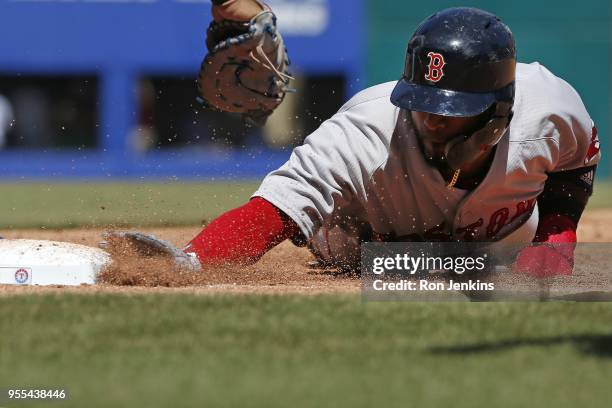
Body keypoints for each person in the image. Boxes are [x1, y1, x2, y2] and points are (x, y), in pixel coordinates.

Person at [115, 7, 601, 278]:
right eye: (421, 103)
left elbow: (576, 163)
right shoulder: (366, 131)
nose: (430, 121)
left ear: (498, 112)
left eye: (448, 113)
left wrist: (557, 235)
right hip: (361, 251)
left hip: (495, 245)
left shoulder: (548, 107)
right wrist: (191, 264)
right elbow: (272, 210)